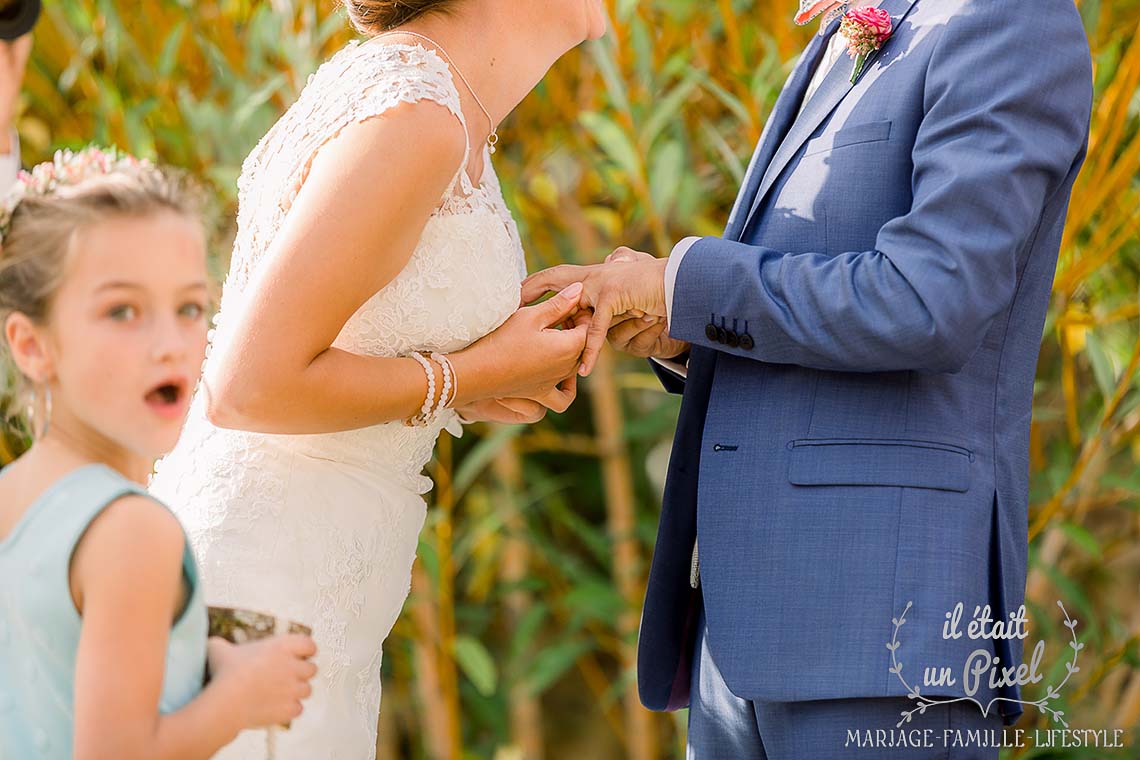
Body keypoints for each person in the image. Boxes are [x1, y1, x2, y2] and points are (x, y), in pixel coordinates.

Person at [521, 0, 1095, 756]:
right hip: (739, 632)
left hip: (883, 634)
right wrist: (686, 329)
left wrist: (682, 283)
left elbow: (931, 300)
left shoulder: (1008, 18)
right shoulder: (855, 23)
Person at [146, 0, 605, 755]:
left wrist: (487, 381)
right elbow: (246, 388)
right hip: (260, 592)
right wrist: (462, 376)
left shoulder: (437, 101)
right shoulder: (414, 114)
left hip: (323, 584)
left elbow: (349, 335)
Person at [0, 147, 319, 758]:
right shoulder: (132, 530)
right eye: (123, 311)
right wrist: (243, 697)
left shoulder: (13, 497)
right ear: (32, 344)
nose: (170, 344)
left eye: (190, 308)